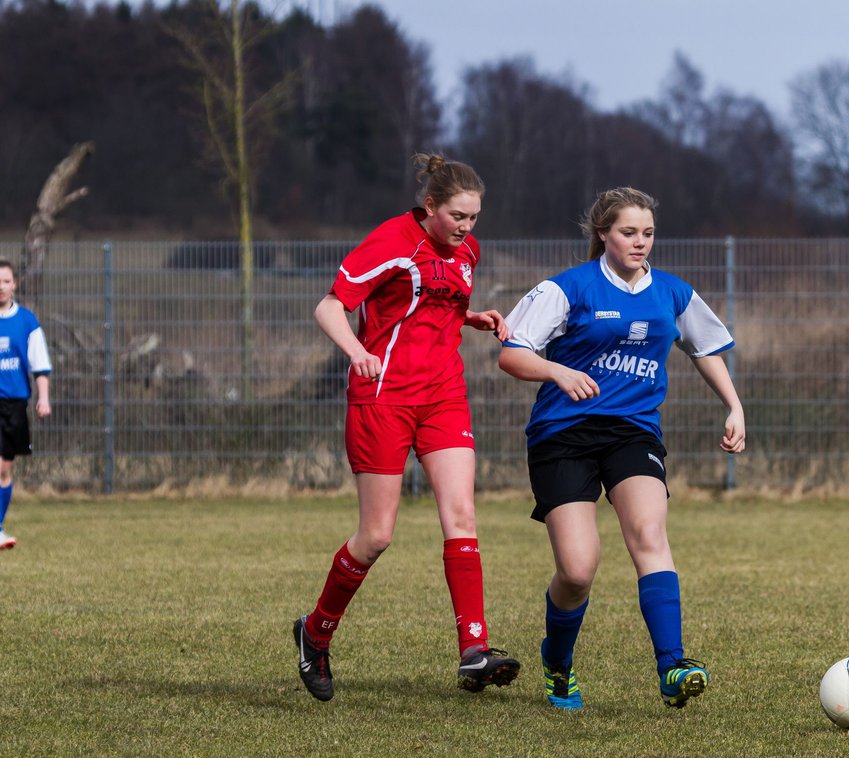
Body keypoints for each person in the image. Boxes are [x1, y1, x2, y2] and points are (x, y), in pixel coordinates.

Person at [498, 187, 746, 710]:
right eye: (628, 232)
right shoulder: (569, 289)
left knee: (649, 533)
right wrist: (557, 370)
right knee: (578, 569)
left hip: (633, 431)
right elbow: (513, 355)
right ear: (603, 234)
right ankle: (557, 661)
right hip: (562, 435)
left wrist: (734, 406)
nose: (640, 242)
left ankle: (672, 665)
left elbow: (704, 348)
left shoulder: (672, 293)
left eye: (648, 233)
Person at [292, 153, 520, 701]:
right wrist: (354, 351)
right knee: (376, 536)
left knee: (462, 513)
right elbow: (329, 307)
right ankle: (316, 632)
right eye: (457, 217)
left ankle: (474, 649)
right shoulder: (393, 241)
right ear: (430, 206)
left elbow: (429, 307)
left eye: (475, 217)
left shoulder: (468, 251)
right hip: (383, 396)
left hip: (443, 395)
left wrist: (472, 316)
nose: (466, 228)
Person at [0, 259, 52, 550]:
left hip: (15, 406)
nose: (1, 287)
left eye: (5, 281)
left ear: (14, 284)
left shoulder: (27, 322)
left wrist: (43, 398)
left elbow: (40, 366)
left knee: (4, 470)